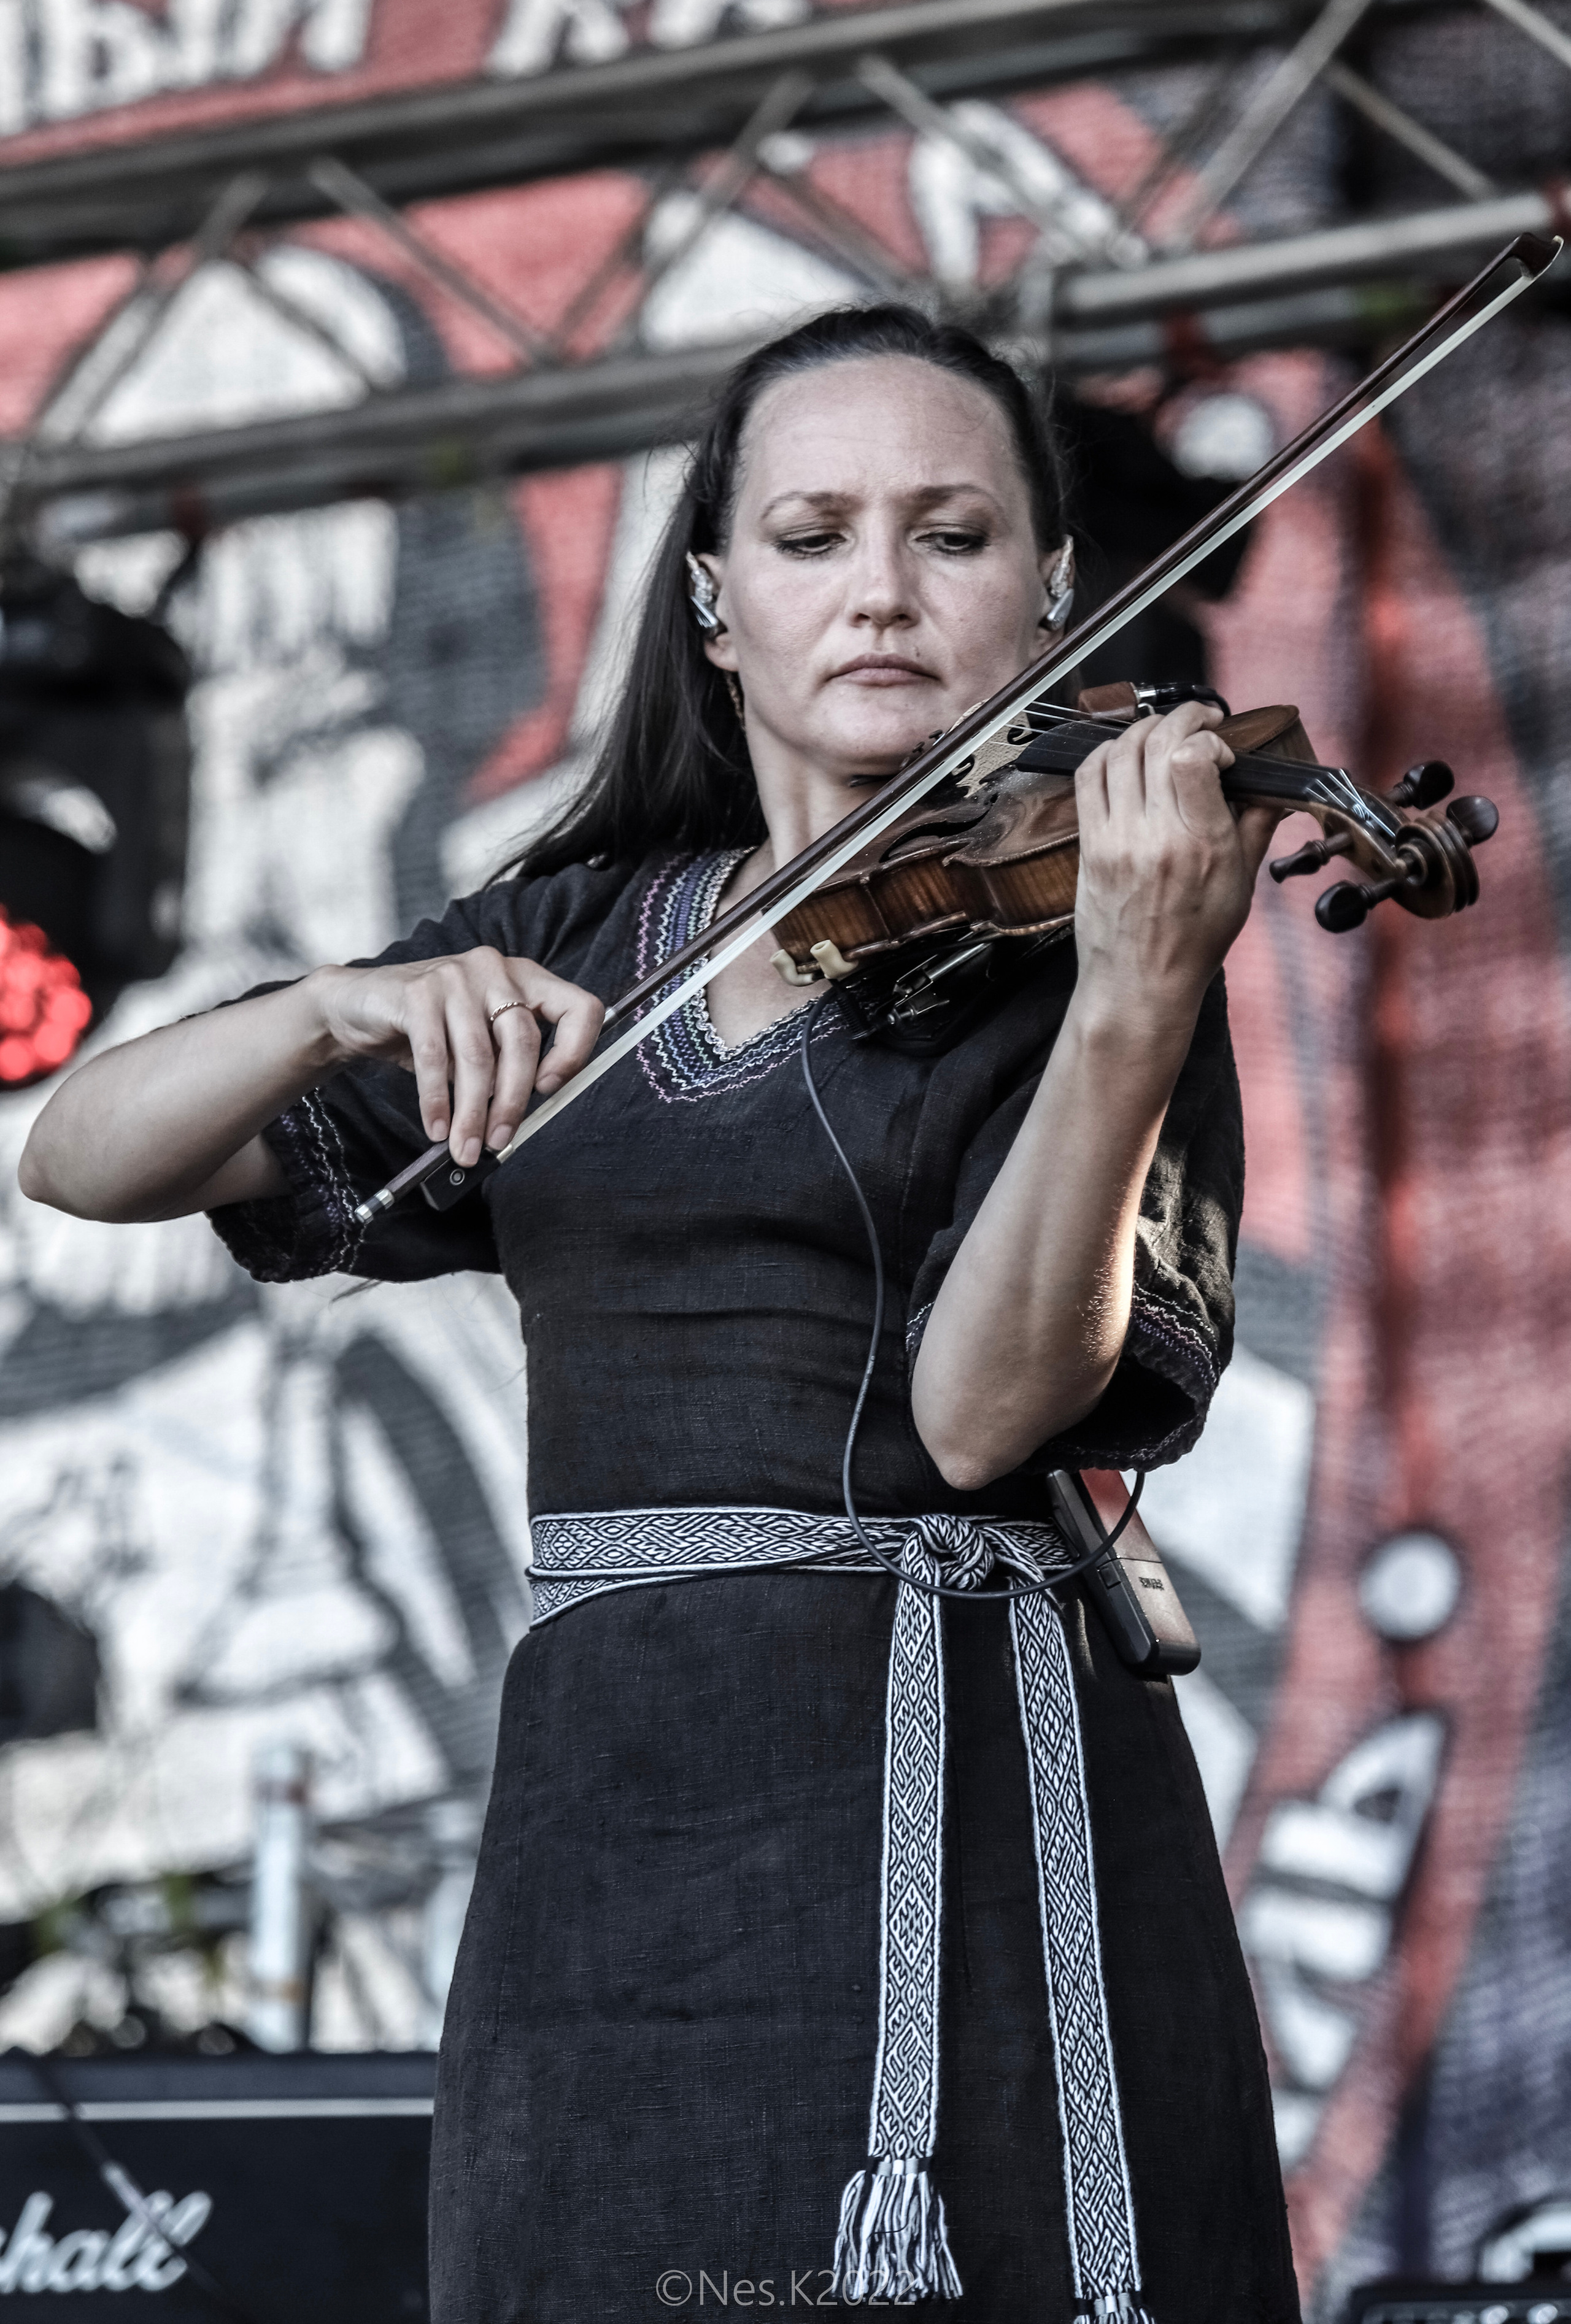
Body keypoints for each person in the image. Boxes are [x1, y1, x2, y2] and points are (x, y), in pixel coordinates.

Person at [21, 307, 1299, 2323]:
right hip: (617, 1808)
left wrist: (1141, 994)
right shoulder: (570, 934)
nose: (879, 588)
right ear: (714, 600)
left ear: (1054, 593)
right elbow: (80, 1154)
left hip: (946, 1782)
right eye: (812, 535)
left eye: (951, 536)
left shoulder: (1098, 946)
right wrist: (333, 1010)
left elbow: (988, 1411)